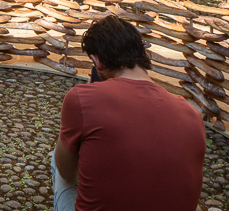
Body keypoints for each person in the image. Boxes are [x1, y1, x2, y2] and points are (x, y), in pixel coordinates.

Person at [52, 15, 205, 211]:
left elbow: (67, 172)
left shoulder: (81, 98)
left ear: (96, 61)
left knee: (56, 161)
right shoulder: (192, 115)